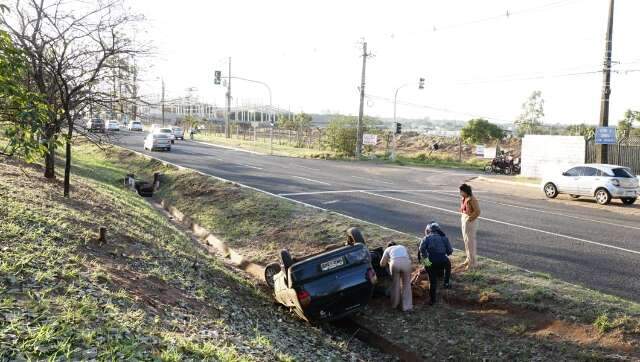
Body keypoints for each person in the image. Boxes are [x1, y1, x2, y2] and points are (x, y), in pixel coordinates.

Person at [418, 222, 453, 305]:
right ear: (438, 230)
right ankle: (446, 283)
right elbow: (450, 251)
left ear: (429, 230)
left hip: (431, 262)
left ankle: (432, 300)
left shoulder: (426, 238)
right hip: (442, 261)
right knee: (448, 265)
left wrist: (426, 260)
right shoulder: (444, 238)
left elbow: (421, 249)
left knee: (432, 281)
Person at [380, 242, 413, 312]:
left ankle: (394, 305)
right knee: (407, 285)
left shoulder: (387, 249)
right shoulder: (402, 246)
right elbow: (411, 259)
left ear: (388, 246)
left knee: (395, 285)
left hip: (394, 264)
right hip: (406, 263)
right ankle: (407, 307)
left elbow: (382, 264)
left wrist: (389, 262)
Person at [459, 183, 480, 270]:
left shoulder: (472, 199)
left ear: (465, 191)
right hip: (464, 218)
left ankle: (473, 263)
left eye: (461, 191)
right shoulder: (464, 198)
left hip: (470, 220)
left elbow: (477, 211)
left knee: (470, 242)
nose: (460, 193)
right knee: (466, 240)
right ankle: (468, 258)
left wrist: (470, 219)